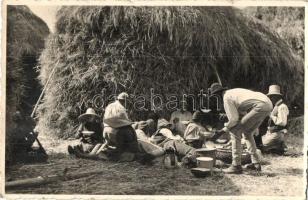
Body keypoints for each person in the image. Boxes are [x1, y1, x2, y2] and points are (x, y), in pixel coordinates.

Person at [210, 83, 273, 174]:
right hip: (267, 103)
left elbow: (234, 120)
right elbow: (242, 115)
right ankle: (256, 163)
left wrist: (222, 131)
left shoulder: (226, 97)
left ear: (217, 94)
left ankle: (236, 165)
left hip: (260, 105)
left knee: (235, 131)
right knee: (247, 133)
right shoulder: (233, 93)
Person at [262, 85, 289, 155]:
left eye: (272, 96)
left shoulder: (282, 107)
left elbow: (282, 122)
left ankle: (277, 146)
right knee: (258, 142)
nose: (270, 98)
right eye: (270, 96)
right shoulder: (277, 106)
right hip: (272, 133)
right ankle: (277, 147)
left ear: (277, 96)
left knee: (260, 146)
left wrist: (272, 116)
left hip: (277, 134)